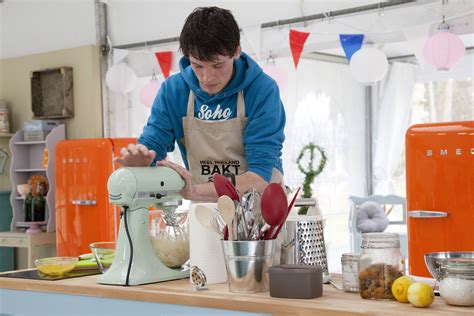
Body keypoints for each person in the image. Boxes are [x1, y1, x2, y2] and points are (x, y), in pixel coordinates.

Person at [115, 6, 286, 201]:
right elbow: (153, 146)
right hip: (205, 206)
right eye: (197, 66)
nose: (207, 77)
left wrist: (195, 191)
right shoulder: (173, 91)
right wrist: (141, 161)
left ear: (236, 51)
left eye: (218, 65)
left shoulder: (262, 90)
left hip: (261, 210)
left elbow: (259, 177)